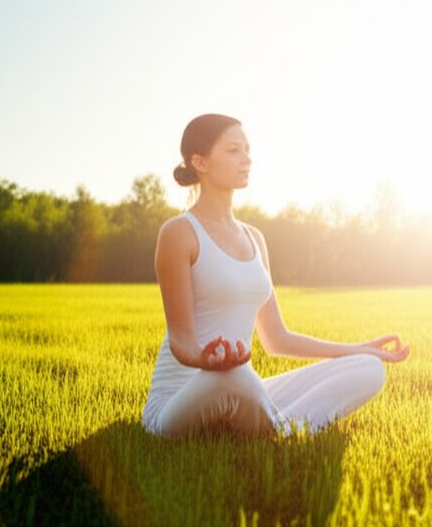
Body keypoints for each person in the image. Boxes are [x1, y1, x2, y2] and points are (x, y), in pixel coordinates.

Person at [141, 113, 410, 438]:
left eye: (248, 149)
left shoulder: (255, 238)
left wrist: (358, 348)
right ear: (200, 161)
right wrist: (207, 360)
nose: (247, 159)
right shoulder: (179, 232)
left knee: (368, 370)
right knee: (235, 377)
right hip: (180, 400)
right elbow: (180, 340)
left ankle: (272, 428)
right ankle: (283, 433)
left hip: (240, 385)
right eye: (233, 150)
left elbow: (277, 338)